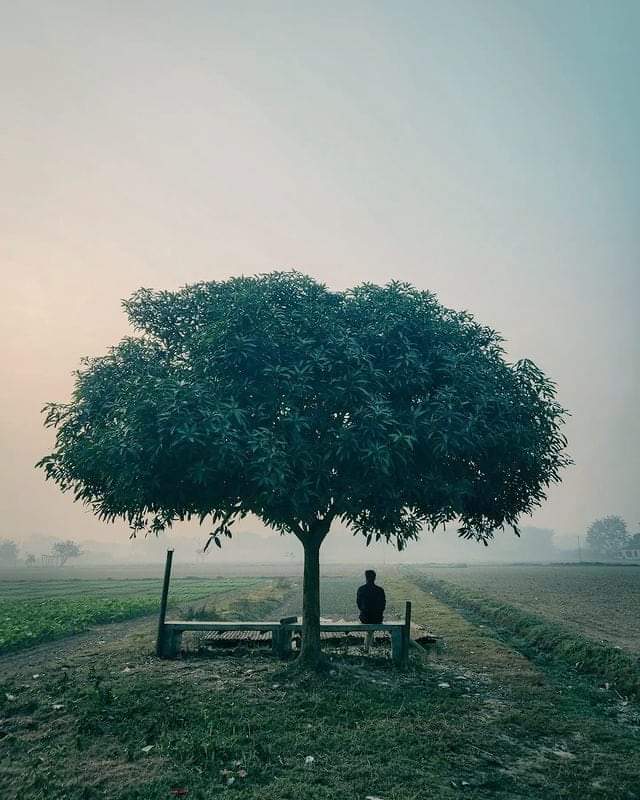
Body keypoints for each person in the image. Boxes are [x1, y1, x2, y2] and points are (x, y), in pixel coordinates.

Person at [356, 569, 386, 652]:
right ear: (374, 578)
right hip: (377, 618)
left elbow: (358, 604)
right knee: (371, 628)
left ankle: (367, 648)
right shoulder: (380, 590)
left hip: (365, 618)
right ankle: (369, 645)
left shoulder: (361, 589)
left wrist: (365, 611)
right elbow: (383, 605)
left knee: (369, 627)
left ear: (366, 577)